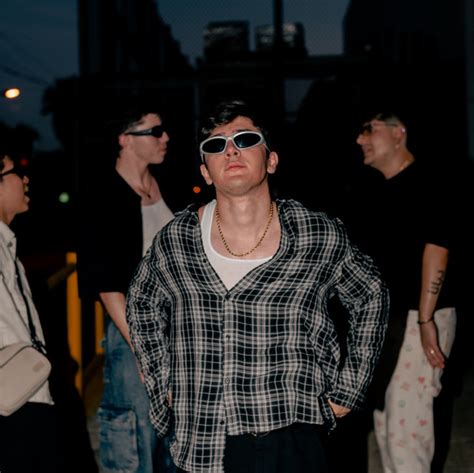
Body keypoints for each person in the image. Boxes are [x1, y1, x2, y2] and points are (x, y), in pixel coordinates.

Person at [126, 99, 389, 473]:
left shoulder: (315, 234)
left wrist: (349, 390)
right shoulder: (177, 241)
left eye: (245, 139)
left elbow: (370, 294)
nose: (231, 150)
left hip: (292, 433)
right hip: (204, 440)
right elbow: (141, 301)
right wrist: (161, 379)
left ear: (271, 160)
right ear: (205, 172)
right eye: (216, 145)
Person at [345, 112, 458, 473]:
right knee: (385, 426)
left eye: (369, 129)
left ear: (399, 133)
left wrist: (425, 319)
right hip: (388, 322)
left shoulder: (429, 181)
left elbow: (438, 248)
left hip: (418, 318)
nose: (360, 139)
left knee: (406, 432)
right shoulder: (378, 190)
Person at [78, 104, 176, 473]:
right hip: (132, 334)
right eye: (155, 131)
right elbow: (107, 287)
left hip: (179, 331)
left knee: (174, 443)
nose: (165, 138)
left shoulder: (170, 186)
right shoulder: (102, 194)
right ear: (125, 139)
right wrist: (143, 347)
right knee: (136, 442)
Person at [0, 153, 64, 472]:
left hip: (22, 392)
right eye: (16, 173)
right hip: (16, 396)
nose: (25, 180)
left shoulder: (6, 242)